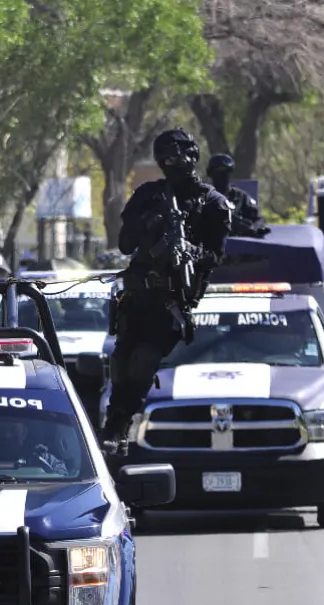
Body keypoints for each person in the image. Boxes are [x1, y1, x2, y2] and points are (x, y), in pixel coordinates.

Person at [100, 128, 231, 452]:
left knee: (145, 359)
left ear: (192, 156)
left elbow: (216, 256)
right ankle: (114, 426)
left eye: (177, 156)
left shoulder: (213, 203)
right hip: (137, 297)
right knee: (123, 362)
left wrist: (190, 252)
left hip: (172, 301)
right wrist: (149, 224)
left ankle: (121, 421)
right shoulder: (148, 194)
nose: (172, 164)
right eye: (165, 158)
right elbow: (125, 243)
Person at [205, 154, 268, 238]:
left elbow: (257, 218)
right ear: (210, 174)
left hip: (237, 244)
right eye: (218, 173)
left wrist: (254, 228)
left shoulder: (241, 197)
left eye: (226, 172)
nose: (223, 176)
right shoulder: (204, 197)